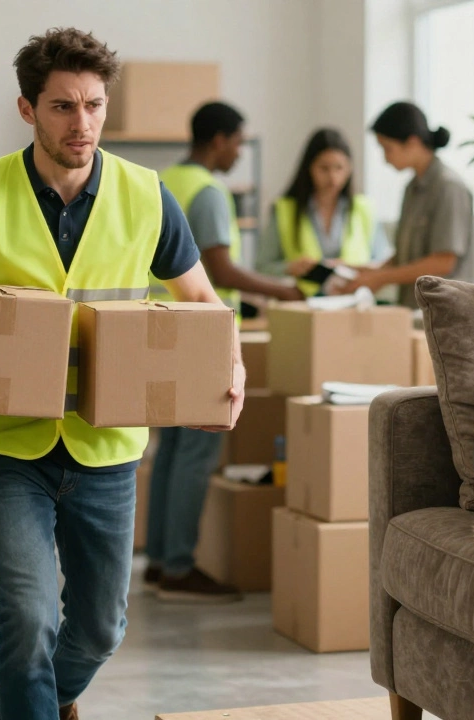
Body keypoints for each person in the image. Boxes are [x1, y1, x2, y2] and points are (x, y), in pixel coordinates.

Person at [0, 28, 243, 720]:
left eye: (95, 106)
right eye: (63, 108)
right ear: (27, 109)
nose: (83, 124)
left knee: (102, 628)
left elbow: (204, 304)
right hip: (4, 444)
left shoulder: (147, 196)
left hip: (106, 448)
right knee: (26, 616)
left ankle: (52, 698)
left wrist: (231, 371)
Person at [142, 102, 298, 604]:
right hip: (198, 332)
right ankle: (180, 568)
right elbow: (222, 272)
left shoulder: (166, 180)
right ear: (218, 140)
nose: (238, 152)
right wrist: (283, 291)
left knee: (169, 449)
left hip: (158, 327)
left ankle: (161, 562)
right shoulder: (208, 192)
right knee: (197, 451)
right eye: (236, 141)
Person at [337, 101, 474, 308]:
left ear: (412, 142)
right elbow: (405, 258)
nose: (385, 158)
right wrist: (365, 273)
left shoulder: (449, 188)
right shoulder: (412, 189)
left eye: (387, 149)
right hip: (415, 309)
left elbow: (443, 261)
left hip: (447, 311)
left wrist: (381, 278)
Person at [256, 127, 392, 295]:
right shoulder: (284, 209)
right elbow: (262, 268)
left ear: (349, 169)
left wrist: (352, 267)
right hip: (303, 306)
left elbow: (384, 264)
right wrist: (290, 268)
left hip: (354, 302)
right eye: (324, 168)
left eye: (339, 168)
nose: (333, 178)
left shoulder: (364, 209)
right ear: (309, 168)